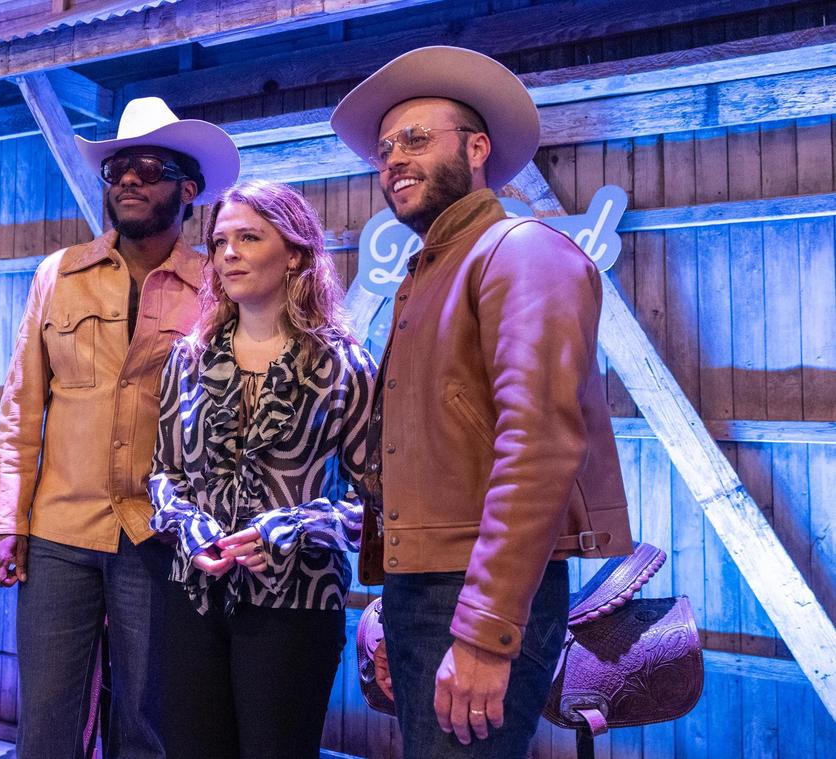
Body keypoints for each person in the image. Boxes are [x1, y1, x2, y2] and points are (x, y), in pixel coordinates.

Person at [330, 47, 634, 757]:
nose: (393, 160)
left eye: (415, 139)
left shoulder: (520, 250)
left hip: (473, 591)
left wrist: (486, 628)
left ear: (476, 148)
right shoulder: (432, 269)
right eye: (383, 150)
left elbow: (539, 443)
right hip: (427, 586)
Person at [0, 96, 239, 759]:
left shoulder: (215, 289)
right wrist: (6, 521)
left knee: (146, 726)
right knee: (45, 725)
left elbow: (231, 420)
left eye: (148, 167)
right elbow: (21, 408)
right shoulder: (57, 277)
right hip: (58, 533)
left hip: (158, 536)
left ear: (187, 189)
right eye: (117, 168)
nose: (127, 179)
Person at [148, 180, 377, 759]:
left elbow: (375, 503)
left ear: (296, 253)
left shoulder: (344, 363)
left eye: (249, 237)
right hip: (192, 594)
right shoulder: (189, 357)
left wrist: (295, 527)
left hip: (297, 604)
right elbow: (163, 474)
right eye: (221, 240)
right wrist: (188, 527)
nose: (228, 253)